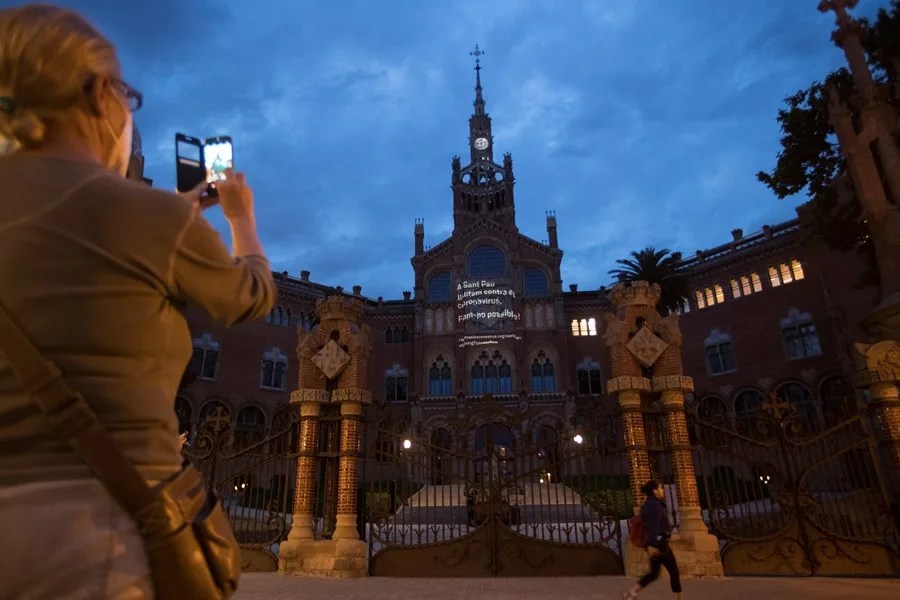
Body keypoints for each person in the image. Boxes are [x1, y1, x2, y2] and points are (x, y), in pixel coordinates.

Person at [0, 4, 276, 598]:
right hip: (94, 540)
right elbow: (252, 296)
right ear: (101, 93)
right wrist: (239, 219)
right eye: (126, 93)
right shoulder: (146, 216)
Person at [624, 480, 682, 600]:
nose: (663, 490)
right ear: (654, 490)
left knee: (654, 573)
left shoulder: (651, 503)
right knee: (674, 571)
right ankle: (678, 598)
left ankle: (631, 593)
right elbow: (653, 525)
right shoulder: (653, 505)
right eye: (661, 488)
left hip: (657, 542)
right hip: (659, 543)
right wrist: (652, 544)